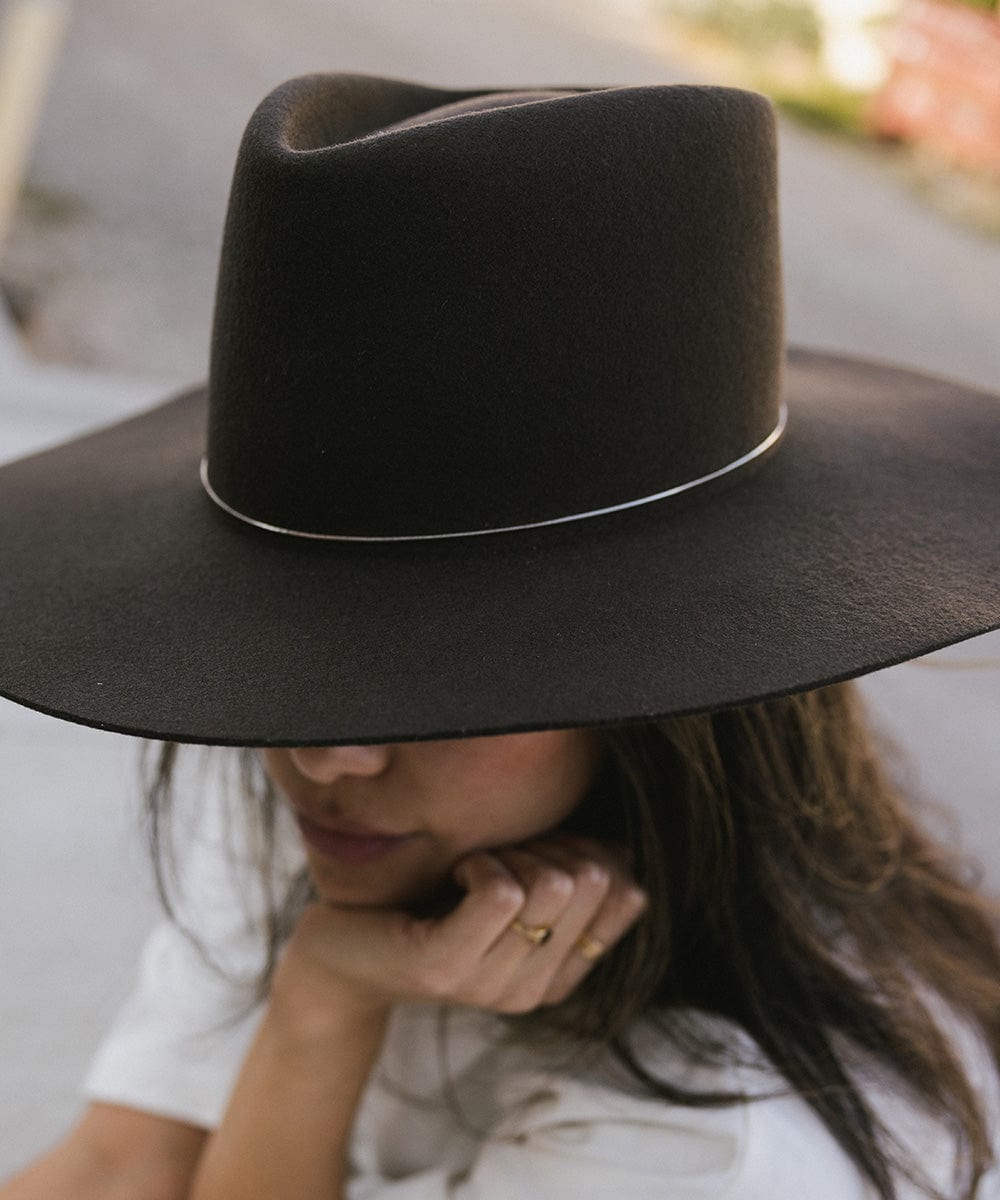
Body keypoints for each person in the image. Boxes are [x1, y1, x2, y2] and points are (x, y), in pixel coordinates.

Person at [1, 72, 999, 1200]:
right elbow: (125, 1162)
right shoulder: (340, 805)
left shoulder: (719, 1140)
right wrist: (326, 988)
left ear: (663, 691)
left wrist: (322, 1008)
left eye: (424, 682)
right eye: (296, 668)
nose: (322, 758)